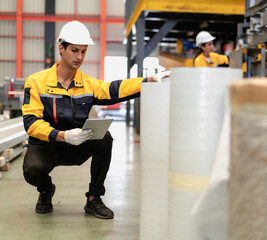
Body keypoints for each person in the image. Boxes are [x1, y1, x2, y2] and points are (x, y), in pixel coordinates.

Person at [21, 20, 170, 219]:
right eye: (74, 50)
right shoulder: (36, 82)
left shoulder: (87, 84)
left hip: (78, 145)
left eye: (83, 51)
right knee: (32, 170)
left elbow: (115, 89)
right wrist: (63, 135)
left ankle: (94, 199)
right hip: (47, 146)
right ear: (61, 48)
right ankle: (46, 190)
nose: (79, 57)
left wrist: (148, 80)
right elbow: (31, 123)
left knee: (104, 138)